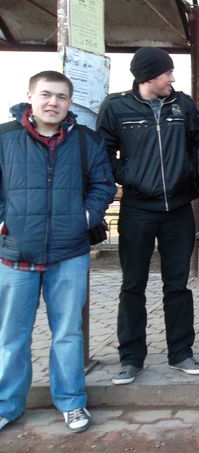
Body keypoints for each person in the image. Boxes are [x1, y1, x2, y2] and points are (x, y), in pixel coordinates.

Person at [0, 71, 115, 433]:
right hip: (15, 253)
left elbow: (103, 184)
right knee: (12, 336)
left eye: (61, 97)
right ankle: (7, 405)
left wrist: (86, 216)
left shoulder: (86, 140)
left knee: (67, 333)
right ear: (30, 97)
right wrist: (3, 222)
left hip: (69, 253)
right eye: (46, 94)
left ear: (69, 102)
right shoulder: (5, 138)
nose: (53, 102)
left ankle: (71, 402)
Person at [96, 47, 199, 385]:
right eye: (166, 73)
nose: (172, 78)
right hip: (137, 210)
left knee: (178, 285)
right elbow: (104, 153)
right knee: (133, 286)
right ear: (147, 76)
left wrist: (187, 174)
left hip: (178, 210)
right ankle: (131, 359)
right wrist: (129, 176)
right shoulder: (116, 107)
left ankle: (181, 353)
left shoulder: (182, 105)